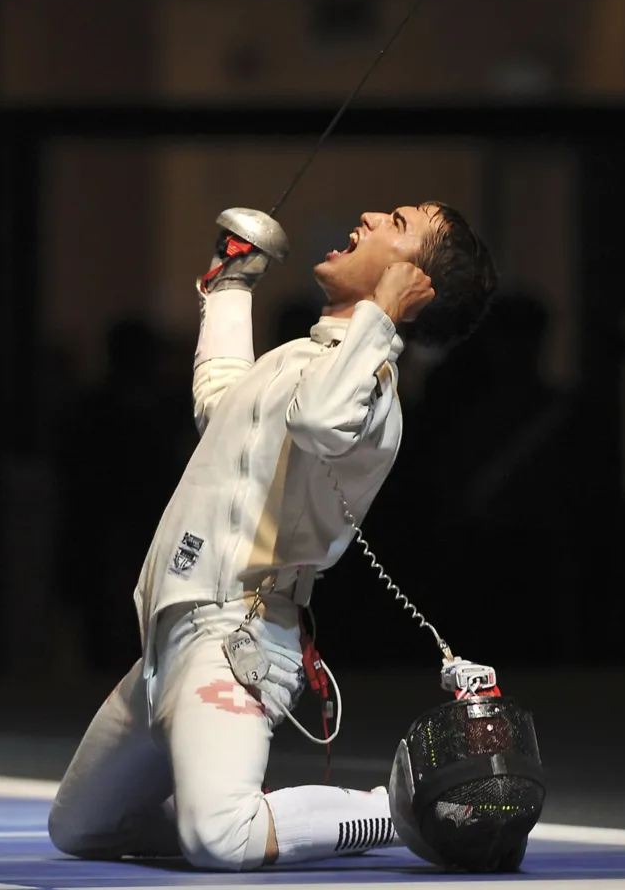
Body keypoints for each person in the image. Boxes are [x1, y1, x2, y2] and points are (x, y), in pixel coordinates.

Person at [48, 203, 497, 871]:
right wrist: (229, 286)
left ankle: (394, 805)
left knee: (218, 840)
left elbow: (319, 420)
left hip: (236, 639)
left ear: (412, 282)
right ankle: (221, 803)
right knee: (80, 828)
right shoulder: (303, 357)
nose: (371, 215)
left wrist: (383, 315)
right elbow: (220, 401)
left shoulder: (371, 388)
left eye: (396, 223)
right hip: (168, 645)